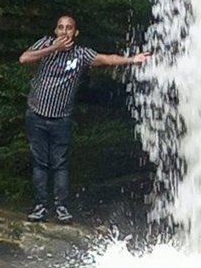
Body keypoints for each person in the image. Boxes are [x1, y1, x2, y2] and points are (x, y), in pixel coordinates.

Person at [19, 14, 149, 223]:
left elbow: (107, 59)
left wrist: (133, 59)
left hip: (61, 118)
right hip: (36, 115)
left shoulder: (81, 55)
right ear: (55, 31)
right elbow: (24, 58)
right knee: (40, 163)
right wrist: (54, 49)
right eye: (60, 27)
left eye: (69, 28)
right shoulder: (45, 43)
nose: (64, 31)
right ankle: (40, 207)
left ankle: (61, 208)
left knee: (60, 164)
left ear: (75, 33)